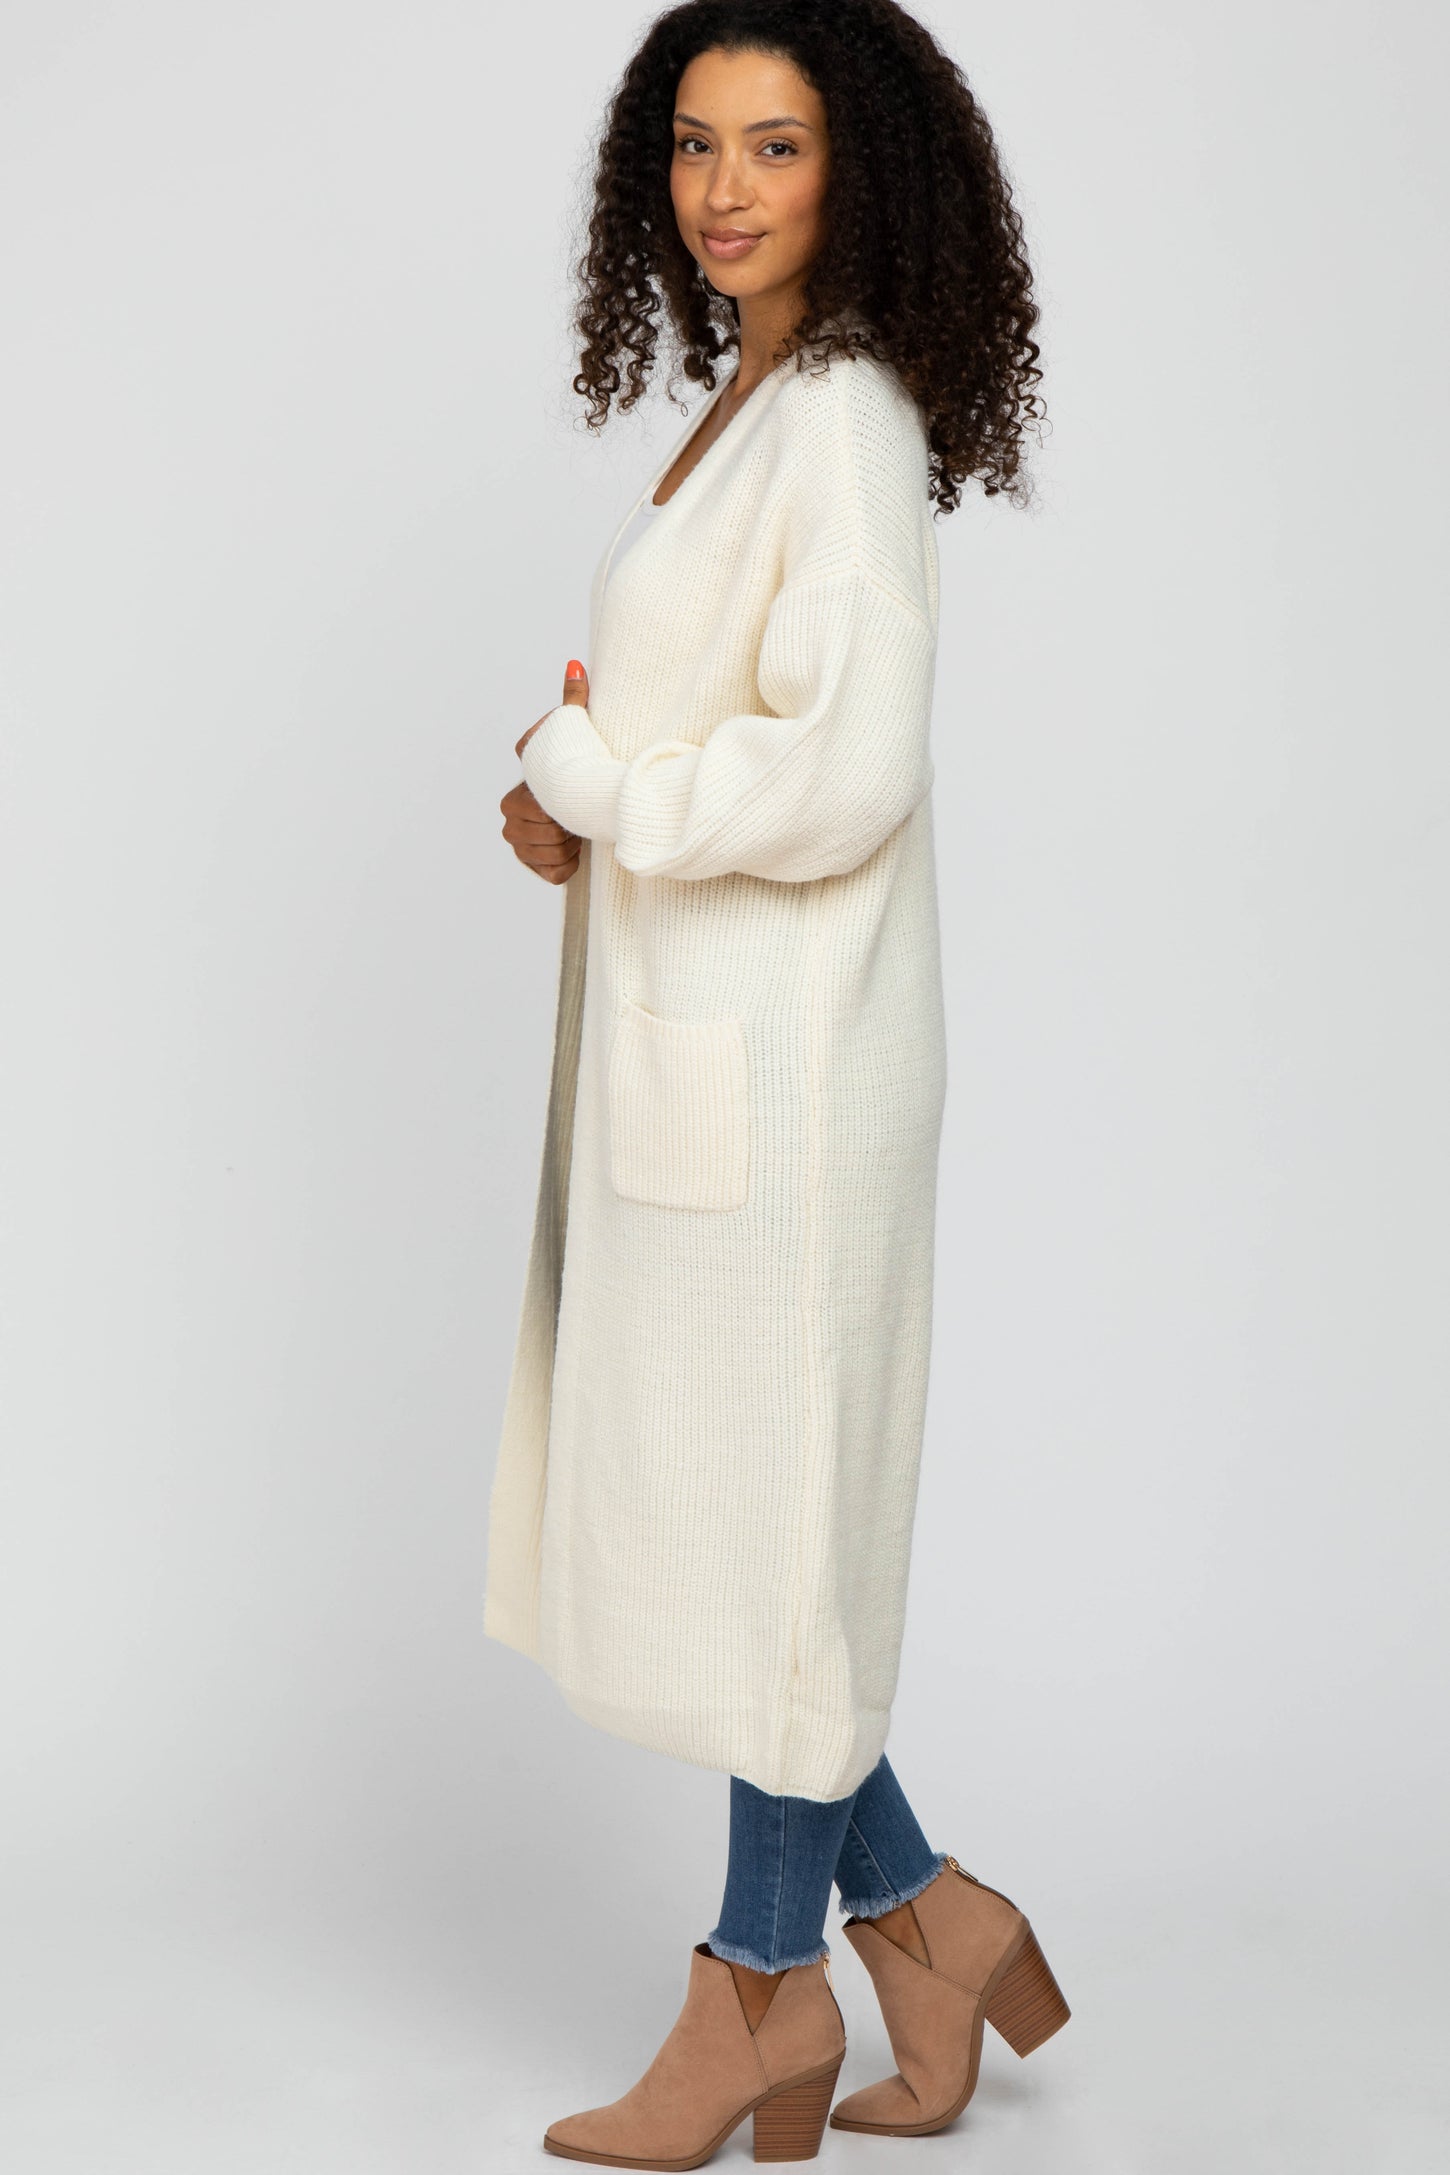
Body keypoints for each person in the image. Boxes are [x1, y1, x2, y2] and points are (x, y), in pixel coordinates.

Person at [491, 3, 1066, 2161]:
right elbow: (704, 735)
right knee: (759, 1544)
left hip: (794, 1077)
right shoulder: (749, 404)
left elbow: (845, 767)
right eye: (691, 142)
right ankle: (927, 1919)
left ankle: (755, 1991)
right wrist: (587, 815)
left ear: (862, 170)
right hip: (714, 1045)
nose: (721, 189)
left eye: (776, 144)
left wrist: (608, 786)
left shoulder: (839, 420)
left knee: (769, 1546)